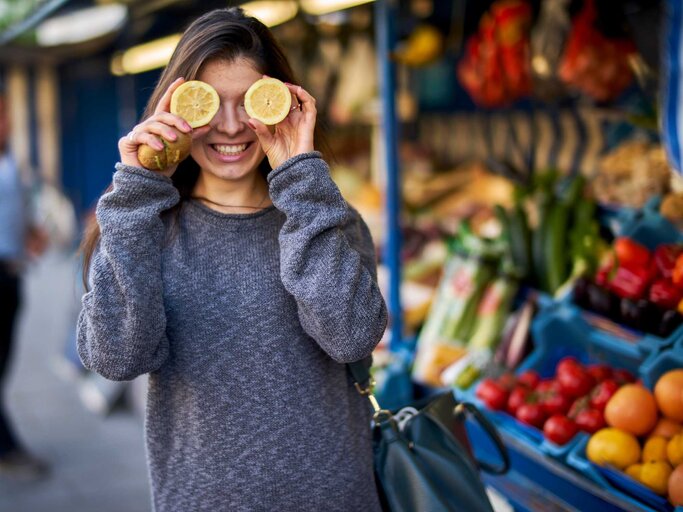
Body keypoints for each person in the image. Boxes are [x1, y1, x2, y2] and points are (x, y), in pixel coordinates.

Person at [77, 7, 388, 511]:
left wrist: (302, 178)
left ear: (282, 103)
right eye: (208, 103)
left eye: (250, 102)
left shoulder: (324, 216)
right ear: (174, 109)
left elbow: (352, 336)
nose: (229, 126)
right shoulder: (146, 224)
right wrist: (136, 193)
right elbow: (115, 358)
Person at [0, 89, 49, 479]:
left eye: (5, 114)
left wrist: (31, 231)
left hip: (11, 276)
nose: (5, 123)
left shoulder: (9, 159)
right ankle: (8, 450)